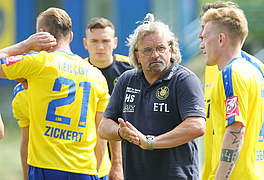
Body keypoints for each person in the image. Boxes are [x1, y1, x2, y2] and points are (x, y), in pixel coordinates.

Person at [0, 8, 110, 179]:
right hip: (85, 170)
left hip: (46, 167)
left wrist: (26, 45)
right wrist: (94, 171)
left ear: (41, 35)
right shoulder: (96, 75)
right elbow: (101, 133)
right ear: (71, 36)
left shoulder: (39, 63)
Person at [98, 13, 206, 180]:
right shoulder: (126, 80)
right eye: (147, 50)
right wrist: (120, 132)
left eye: (160, 48)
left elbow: (197, 125)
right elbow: (104, 127)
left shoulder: (184, 80)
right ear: (137, 55)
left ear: (170, 49)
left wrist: (150, 142)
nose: (155, 55)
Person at [198, 2, 264, 180]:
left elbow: (236, 128)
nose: (201, 42)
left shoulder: (232, 73)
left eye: (205, 35)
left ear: (221, 38)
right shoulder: (250, 70)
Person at [83, 17, 133, 180]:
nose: (100, 46)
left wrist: (117, 164)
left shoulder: (130, 70)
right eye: (94, 41)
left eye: (105, 40)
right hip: (89, 151)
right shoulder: (78, 71)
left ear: (115, 42)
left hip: (127, 148)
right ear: (85, 43)